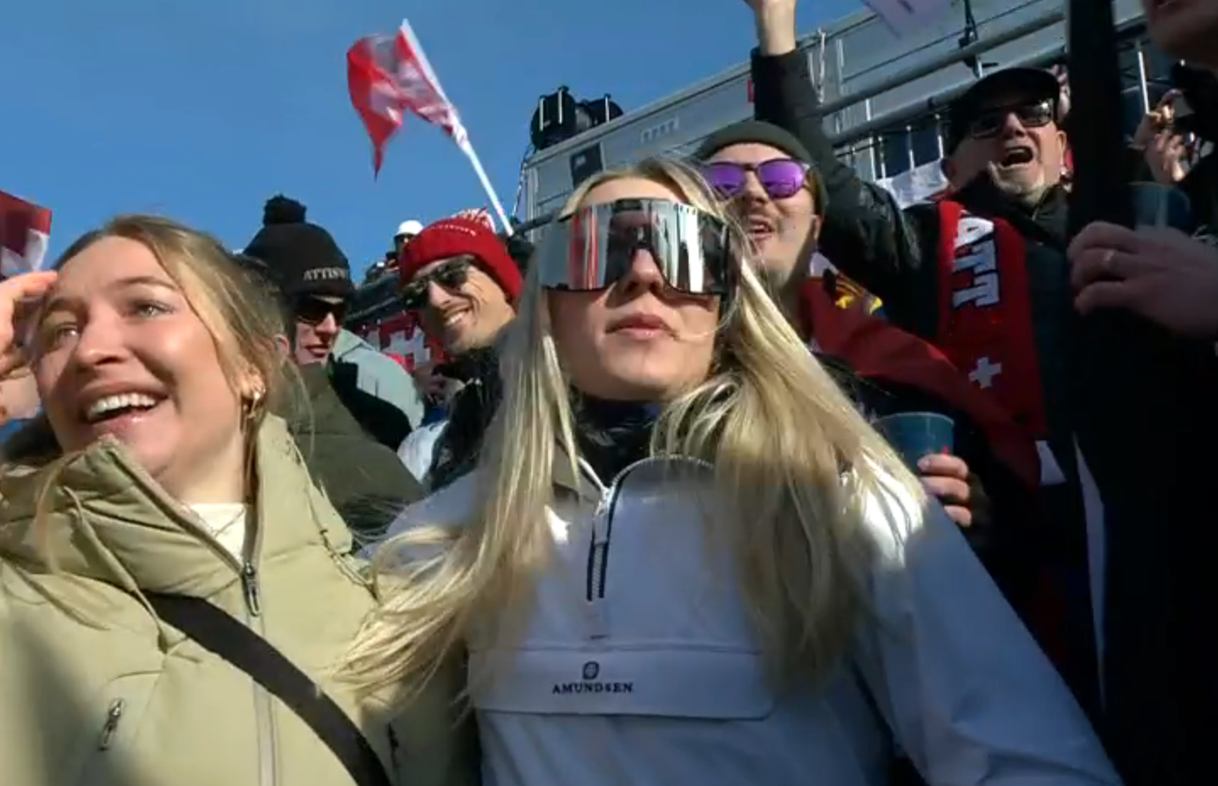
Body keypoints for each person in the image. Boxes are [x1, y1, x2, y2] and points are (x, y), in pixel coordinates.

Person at [344, 157, 1116, 786]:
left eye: (686, 250)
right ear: (546, 301)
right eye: (599, 248)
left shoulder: (838, 491)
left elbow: (1024, 757)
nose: (644, 275)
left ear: (725, 302)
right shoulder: (454, 529)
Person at [0, 215, 473, 786]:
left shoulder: (402, 621)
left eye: (145, 307)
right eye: (60, 330)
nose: (91, 348)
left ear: (251, 365)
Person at [742, 0, 1105, 717]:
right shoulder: (920, 245)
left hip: (1160, 551)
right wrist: (776, 28)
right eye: (985, 122)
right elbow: (817, 175)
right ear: (953, 165)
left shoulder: (1149, 218)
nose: (1012, 126)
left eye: (1032, 112)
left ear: (1065, 141)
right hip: (1006, 568)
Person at [693, 121, 1043, 627]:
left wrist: (984, 515)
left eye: (782, 179)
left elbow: (1014, 522)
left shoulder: (897, 366)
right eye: (722, 182)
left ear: (816, 226)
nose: (751, 193)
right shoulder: (646, 371)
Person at [244, 195, 421, 447]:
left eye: (341, 311)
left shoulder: (383, 424)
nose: (330, 328)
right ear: (262, 307)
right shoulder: (207, 411)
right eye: (312, 308)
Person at [394, 213, 522, 489]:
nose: (436, 300)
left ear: (501, 279)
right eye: (417, 294)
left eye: (452, 274)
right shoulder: (426, 451)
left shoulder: (585, 379)